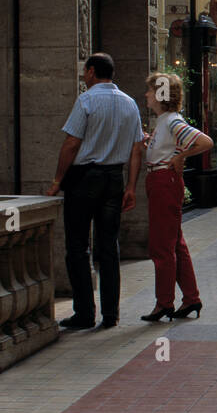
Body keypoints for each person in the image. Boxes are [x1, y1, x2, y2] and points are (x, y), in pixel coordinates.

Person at [46, 52, 146, 331]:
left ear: (91, 72)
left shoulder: (87, 99)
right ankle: (111, 314)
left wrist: (57, 180)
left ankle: (84, 313)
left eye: (85, 71)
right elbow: (137, 148)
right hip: (114, 178)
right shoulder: (130, 103)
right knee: (109, 248)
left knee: (78, 247)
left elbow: (71, 143)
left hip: (83, 180)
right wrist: (130, 187)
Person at [140, 72, 213, 322]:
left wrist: (180, 157)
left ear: (160, 94)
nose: (147, 95)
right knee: (175, 244)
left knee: (162, 246)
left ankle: (164, 303)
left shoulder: (171, 121)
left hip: (163, 181)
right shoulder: (165, 121)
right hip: (163, 181)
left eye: (150, 90)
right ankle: (190, 298)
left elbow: (205, 142)